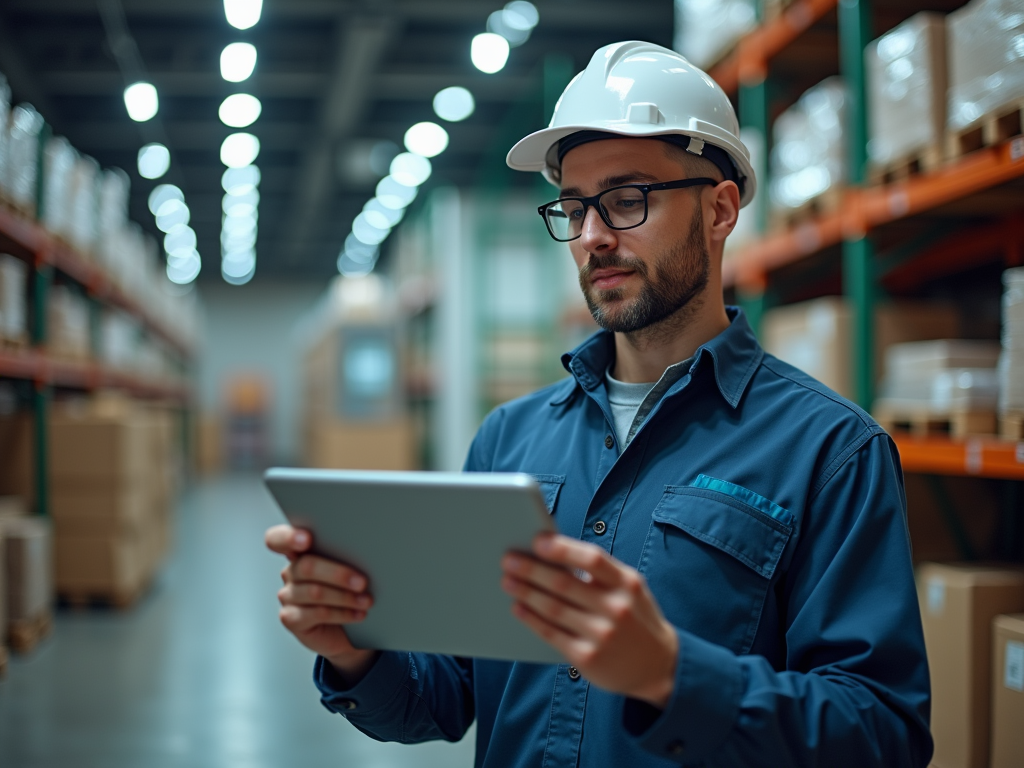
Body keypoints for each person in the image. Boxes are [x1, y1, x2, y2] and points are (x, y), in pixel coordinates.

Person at [265, 40, 932, 767]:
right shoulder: (508, 441)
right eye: (574, 207)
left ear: (720, 209)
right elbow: (446, 694)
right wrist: (353, 650)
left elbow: (883, 731)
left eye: (626, 199)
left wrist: (673, 677)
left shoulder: (831, 452)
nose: (592, 237)